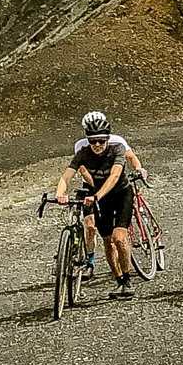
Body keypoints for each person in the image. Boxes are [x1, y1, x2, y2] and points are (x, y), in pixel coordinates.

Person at [57, 111, 149, 298]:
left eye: (101, 141)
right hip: (101, 198)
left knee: (119, 238)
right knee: (107, 241)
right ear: (87, 141)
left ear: (108, 139)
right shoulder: (82, 153)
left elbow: (115, 175)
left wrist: (97, 195)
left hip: (121, 194)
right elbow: (67, 175)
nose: (97, 145)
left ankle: (128, 279)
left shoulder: (117, 149)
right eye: (93, 141)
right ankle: (119, 282)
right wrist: (60, 193)